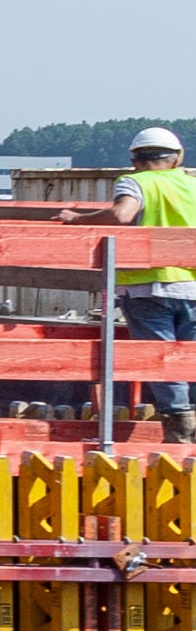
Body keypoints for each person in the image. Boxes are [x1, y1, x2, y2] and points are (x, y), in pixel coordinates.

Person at [117, 128, 196, 424]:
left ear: (135, 160)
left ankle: (180, 425)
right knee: (190, 357)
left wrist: (77, 219)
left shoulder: (135, 182)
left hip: (145, 286)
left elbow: (122, 215)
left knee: (162, 358)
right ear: (177, 158)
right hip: (191, 285)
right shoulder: (192, 186)